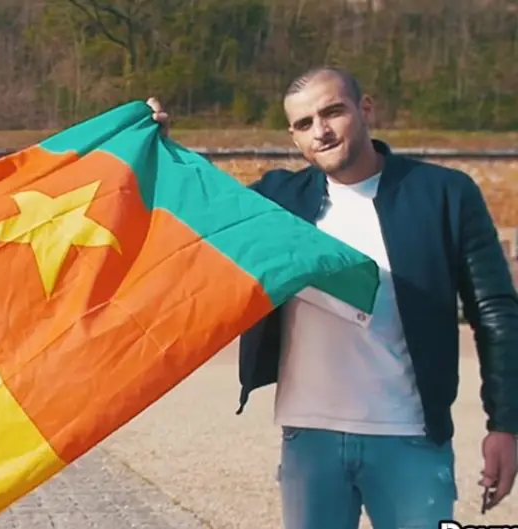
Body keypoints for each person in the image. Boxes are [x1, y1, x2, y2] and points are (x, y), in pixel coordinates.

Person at [221, 67, 518, 528]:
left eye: (332, 112)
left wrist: (507, 424)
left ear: (366, 109)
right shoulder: (278, 201)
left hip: (410, 438)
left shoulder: (444, 194)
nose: (320, 131)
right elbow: (197, 210)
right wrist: (154, 140)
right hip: (310, 438)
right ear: (293, 136)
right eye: (304, 123)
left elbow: (495, 311)